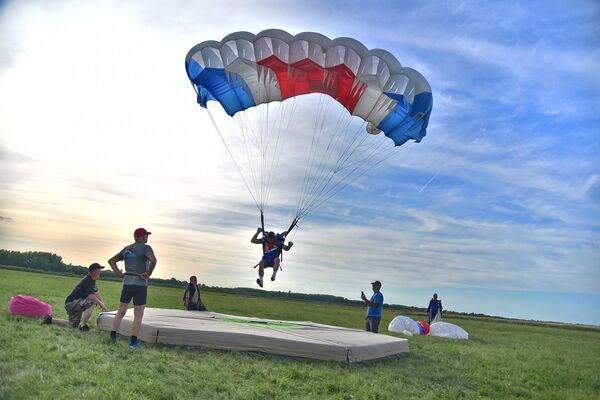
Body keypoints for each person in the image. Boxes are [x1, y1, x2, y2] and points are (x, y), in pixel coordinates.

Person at [107, 227, 157, 349]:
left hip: (127, 283)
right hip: (140, 284)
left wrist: (119, 273)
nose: (147, 238)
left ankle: (113, 336)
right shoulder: (146, 248)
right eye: (147, 236)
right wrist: (148, 273)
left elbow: (111, 261)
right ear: (143, 237)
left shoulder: (127, 249)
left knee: (121, 311)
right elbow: (153, 260)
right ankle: (133, 342)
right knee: (138, 314)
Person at [47, 263, 108, 331]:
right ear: (94, 271)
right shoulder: (88, 280)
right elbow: (90, 296)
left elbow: (96, 293)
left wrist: (103, 304)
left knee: (72, 324)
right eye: (99, 270)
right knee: (92, 302)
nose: (100, 272)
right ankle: (82, 326)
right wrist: (100, 303)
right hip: (71, 303)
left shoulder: (92, 280)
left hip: (72, 303)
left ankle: (50, 320)